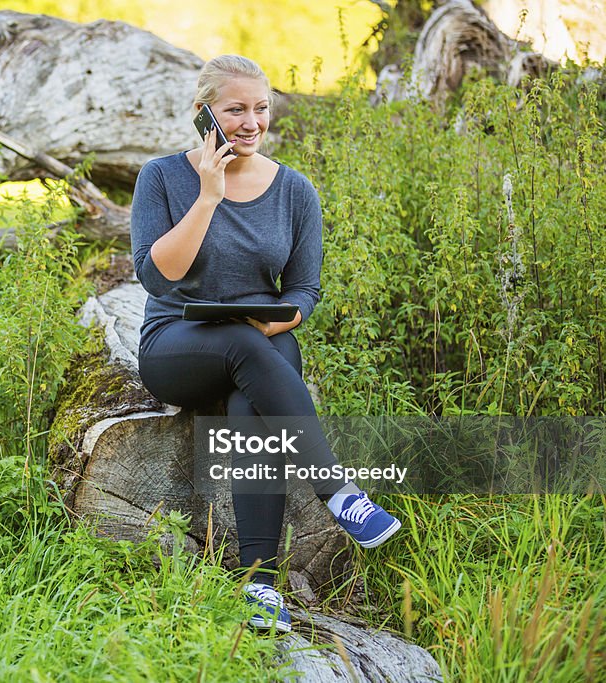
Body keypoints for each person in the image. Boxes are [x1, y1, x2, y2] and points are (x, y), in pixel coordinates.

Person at [129, 55, 400, 633]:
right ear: (204, 114)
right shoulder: (162, 178)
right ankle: (339, 491)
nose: (251, 122)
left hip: (263, 336)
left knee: (253, 402)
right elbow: (157, 278)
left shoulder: (295, 190)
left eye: (260, 109)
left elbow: (304, 288)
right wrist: (208, 195)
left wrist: (277, 323)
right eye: (235, 110)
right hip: (178, 342)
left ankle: (261, 583)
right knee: (239, 348)